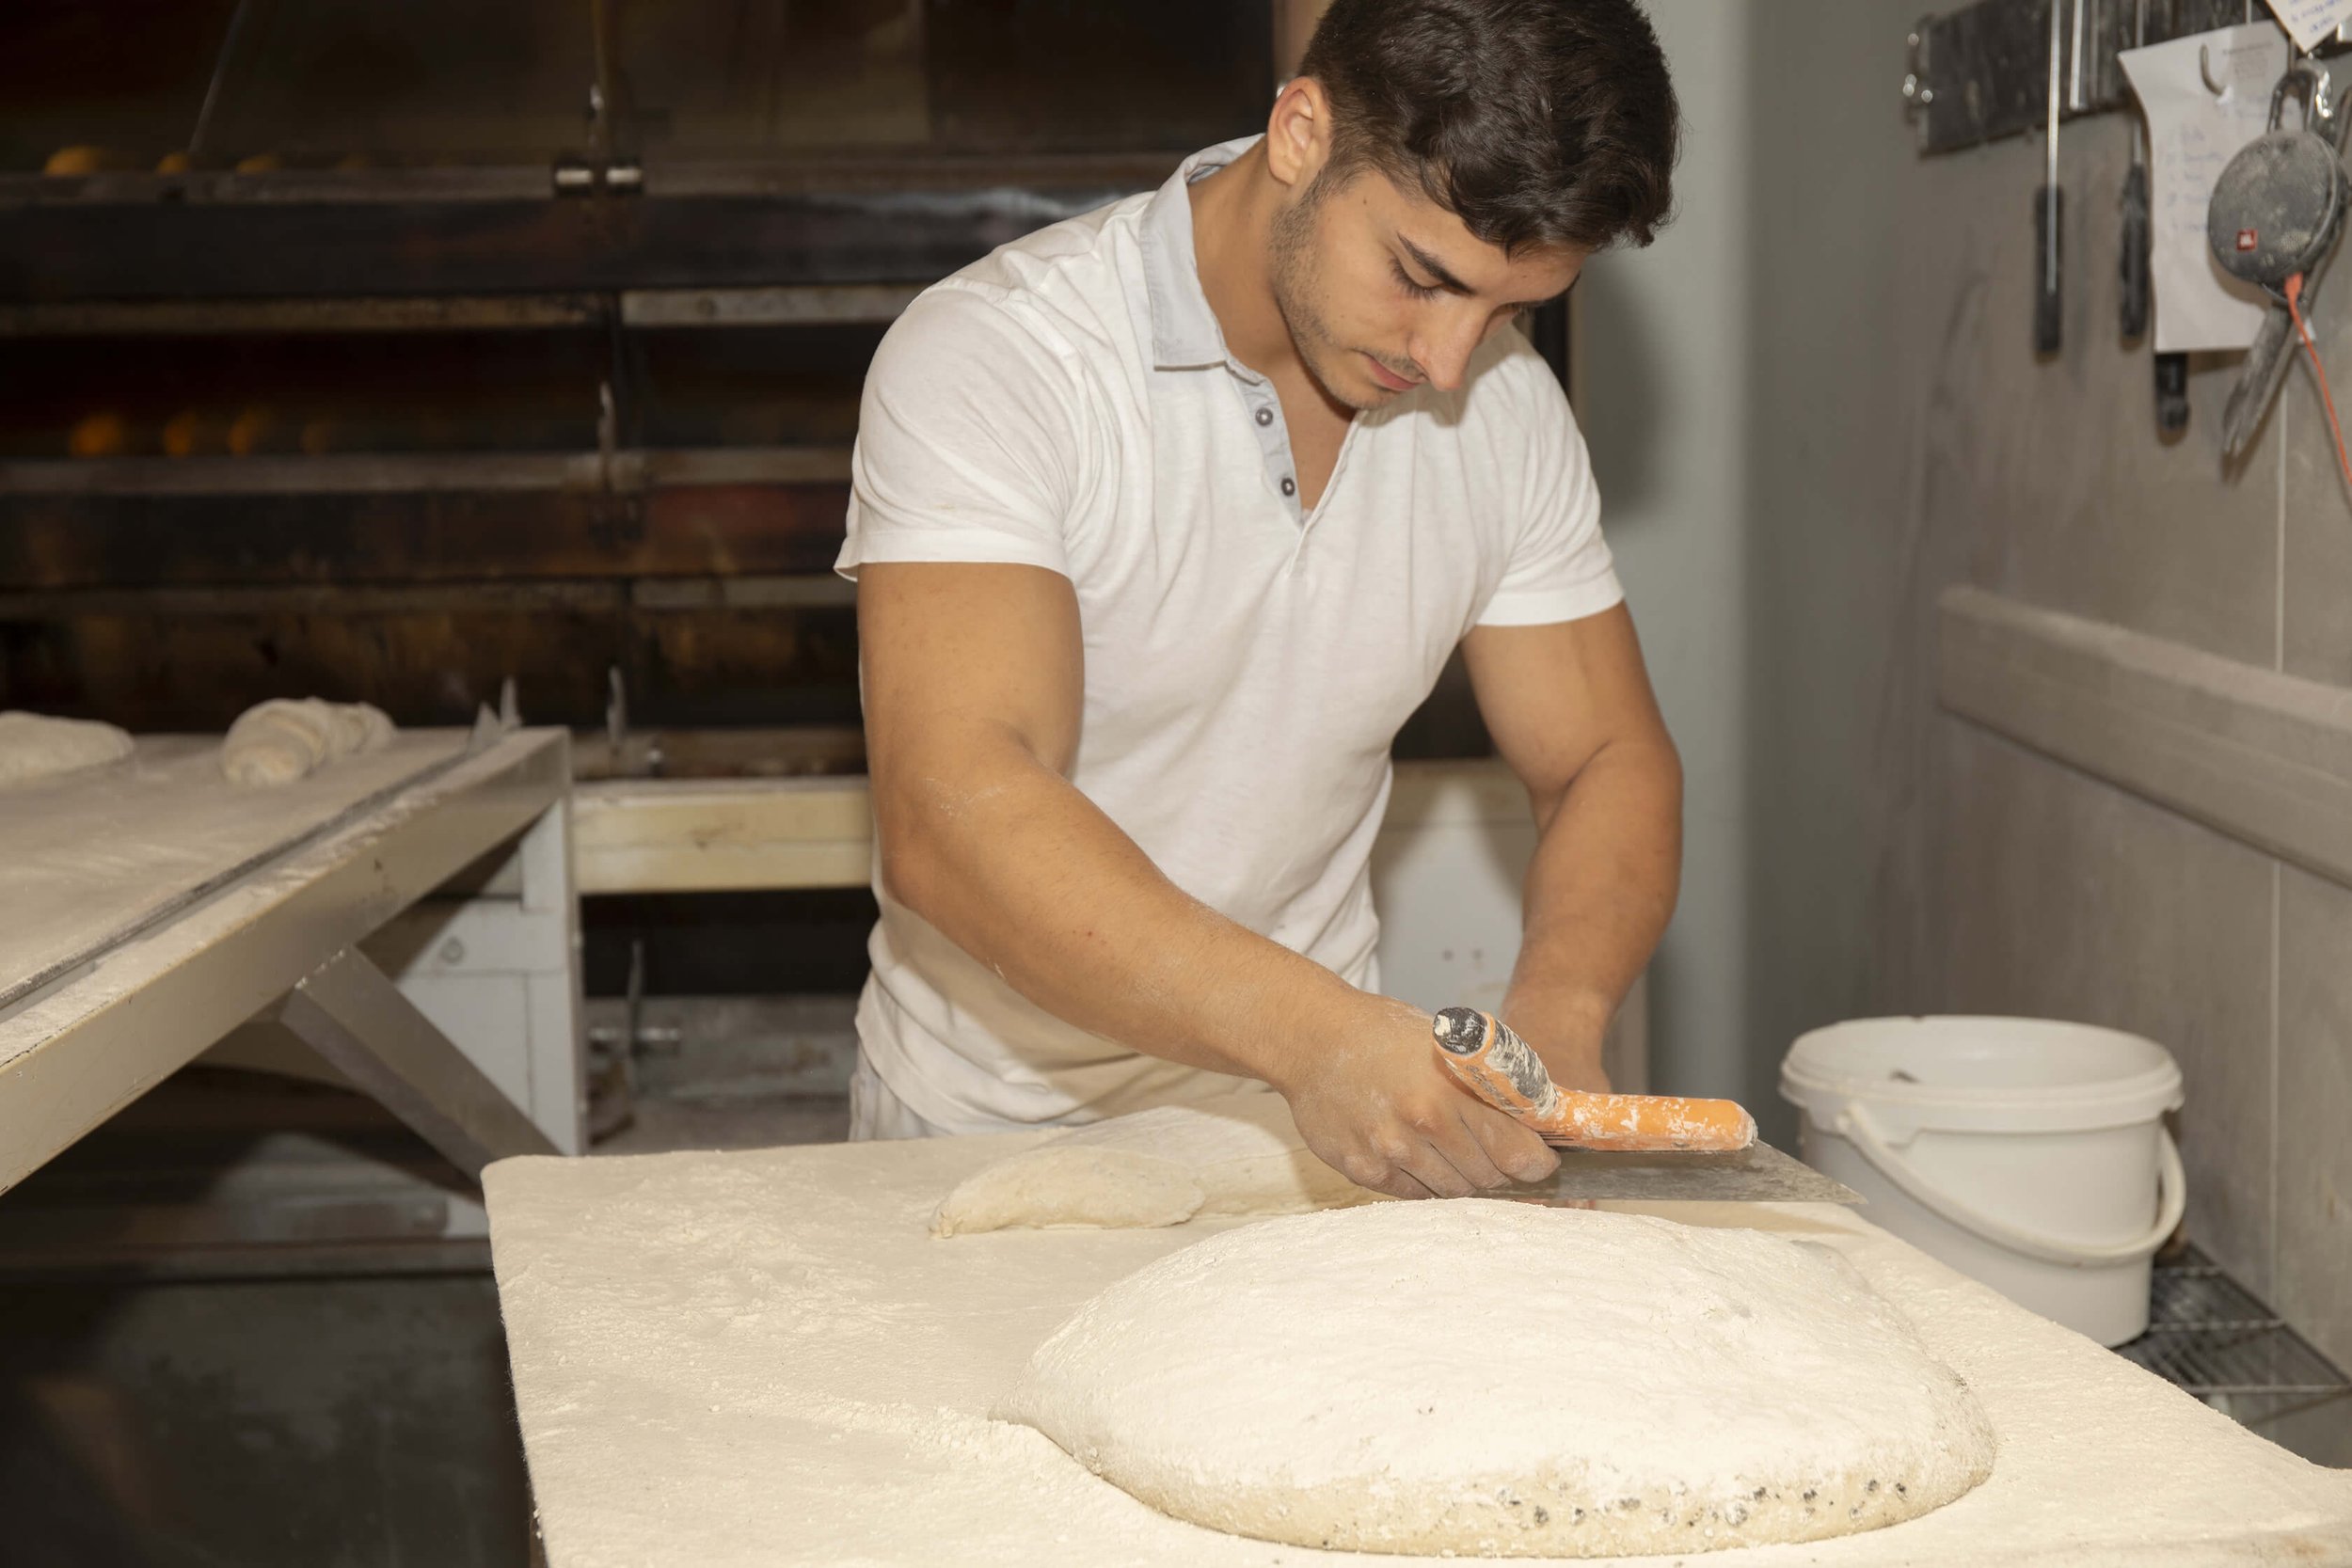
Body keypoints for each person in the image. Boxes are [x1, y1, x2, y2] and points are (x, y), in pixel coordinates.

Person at [836, 0, 1683, 1200]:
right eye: (1420, 277)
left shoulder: (1502, 405)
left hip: (1315, 1136)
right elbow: (956, 803)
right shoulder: (1003, 360)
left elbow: (1606, 753)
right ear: (1299, 130)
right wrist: (1316, 1034)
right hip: (989, 1130)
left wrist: (1557, 1010)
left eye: (1506, 310)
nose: (1448, 363)